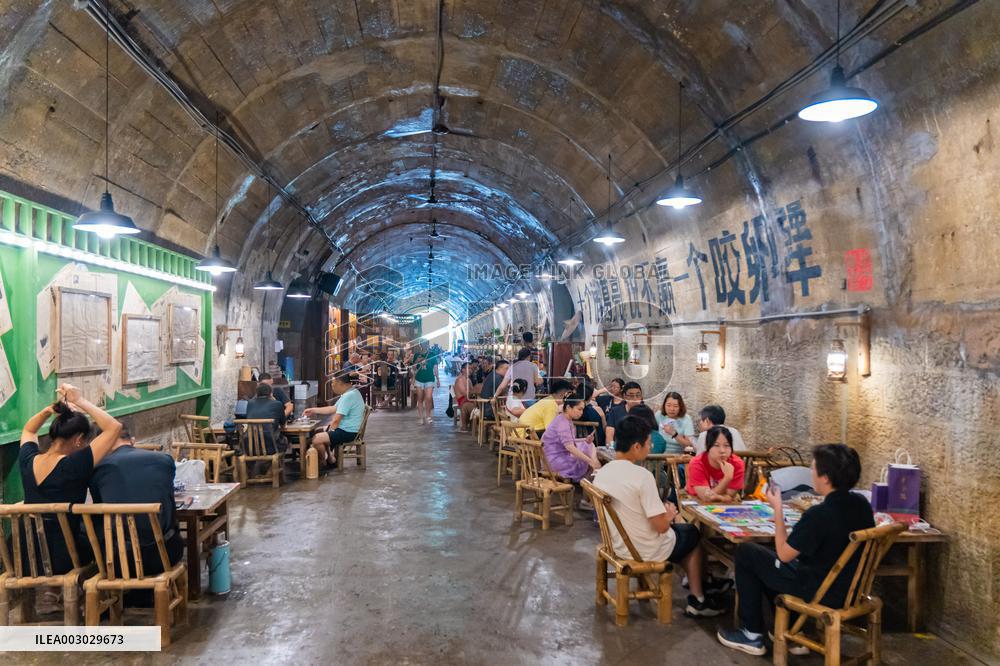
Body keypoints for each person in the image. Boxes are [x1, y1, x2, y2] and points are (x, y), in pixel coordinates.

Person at [717, 444, 876, 656]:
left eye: (813, 469)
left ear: (825, 477)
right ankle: (788, 630)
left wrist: (778, 509)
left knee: (747, 552)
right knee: (768, 561)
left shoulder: (820, 514)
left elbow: (784, 554)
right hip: (852, 590)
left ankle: (751, 634)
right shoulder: (861, 503)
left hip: (821, 591)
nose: (812, 474)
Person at [593, 416, 727, 618]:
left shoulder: (603, 472)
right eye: (649, 442)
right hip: (643, 549)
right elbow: (661, 527)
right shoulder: (641, 476)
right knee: (691, 534)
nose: (651, 446)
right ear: (636, 446)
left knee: (685, 534)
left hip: (616, 542)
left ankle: (699, 585)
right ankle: (698, 598)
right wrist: (671, 514)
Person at [19, 384, 122, 575]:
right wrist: (79, 400)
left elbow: (28, 431)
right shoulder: (74, 465)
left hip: (24, 554)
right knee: (107, 543)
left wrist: (47, 411)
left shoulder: (27, 461)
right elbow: (114, 427)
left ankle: (50, 594)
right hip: (64, 555)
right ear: (78, 440)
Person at [89, 426, 184, 579]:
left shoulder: (98, 468)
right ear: (132, 441)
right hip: (165, 554)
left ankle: (129, 595)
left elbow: (100, 508)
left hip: (120, 560)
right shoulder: (164, 460)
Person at [305, 371, 365, 467]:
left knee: (316, 439)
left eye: (333, 383)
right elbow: (333, 408)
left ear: (340, 383)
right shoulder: (351, 392)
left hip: (348, 432)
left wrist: (330, 431)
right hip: (348, 429)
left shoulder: (348, 396)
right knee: (318, 431)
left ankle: (322, 463)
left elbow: (336, 420)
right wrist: (313, 410)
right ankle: (330, 458)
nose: (332, 385)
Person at [541, 397, 601, 485]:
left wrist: (585, 439)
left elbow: (568, 440)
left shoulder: (563, 419)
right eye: (579, 409)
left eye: (582, 410)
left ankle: (594, 471)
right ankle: (594, 472)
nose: (581, 412)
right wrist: (590, 461)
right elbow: (570, 447)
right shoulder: (563, 423)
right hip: (554, 461)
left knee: (588, 444)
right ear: (569, 407)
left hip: (553, 456)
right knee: (589, 454)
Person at [686, 426, 745, 503]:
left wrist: (720, 498)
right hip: (696, 499)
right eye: (716, 445)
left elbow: (730, 495)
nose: (722, 451)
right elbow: (706, 498)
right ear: (708, 447)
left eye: (726, 445)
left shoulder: (737, 464)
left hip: (725, 504)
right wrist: (727, 478)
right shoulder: (697, 463)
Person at [245, 383, 288, 455]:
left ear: (257, 393)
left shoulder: (250, 403)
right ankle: (276, 464)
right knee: (285, 440)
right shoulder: (277, 404)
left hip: (250, 446)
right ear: (271, 393)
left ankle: (263, 464)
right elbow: (283, 424)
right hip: (271, 446)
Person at [412, 343, 440, 425]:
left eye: (426, 344)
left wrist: (438, 379)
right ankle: (421, 417)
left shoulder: (432, 354)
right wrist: (417, 361)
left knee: (429, 397)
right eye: (422, 344)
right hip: (419, 379)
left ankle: (428, 416)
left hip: (429, 379)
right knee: (420, 399)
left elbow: (435, 367)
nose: (424, 345)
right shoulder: (417, 355)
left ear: (428, 344)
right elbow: (413, 368)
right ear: (420, 345)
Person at [454, 362, 473, 431]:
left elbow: (471, 392)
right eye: (468, 368)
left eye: (471, 368)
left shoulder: (469, 380)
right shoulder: (460, 380)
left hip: (469, 399)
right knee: (473, 406)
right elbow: (465, 393)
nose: (470, 370)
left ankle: (473, 424)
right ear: (463, 370)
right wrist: (473, 391)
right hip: (462, 400)